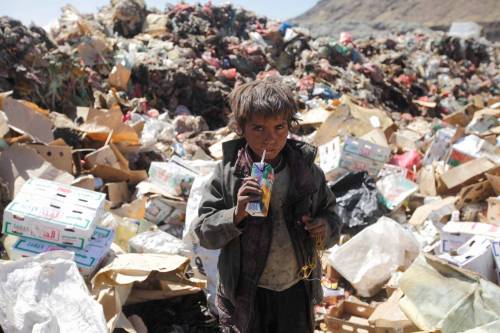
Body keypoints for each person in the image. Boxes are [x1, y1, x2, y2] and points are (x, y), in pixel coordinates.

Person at [194, 79, 338, 333]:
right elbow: (204, 233)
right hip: (247, 294)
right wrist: (236, 214)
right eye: (258, 129)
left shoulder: (306, 172)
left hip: (295, 290)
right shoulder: (228, 175)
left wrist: (323, 227)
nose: (270, 139)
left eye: (279, 127)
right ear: (241, 129)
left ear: (290, 126)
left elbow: (332, 217)